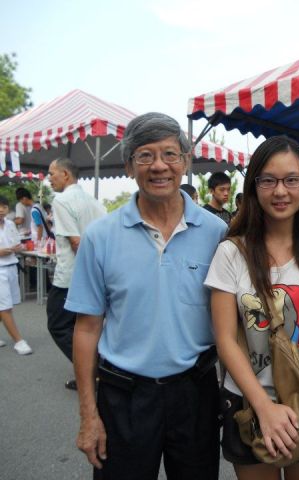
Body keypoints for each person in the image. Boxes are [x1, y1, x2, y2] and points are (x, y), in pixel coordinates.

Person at [65, 112, 227, 479]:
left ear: (185, 162)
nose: (159, 166)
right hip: (123, 398)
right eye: (145, 156)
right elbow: (86, 329)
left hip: (195, 394)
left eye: (170, 154)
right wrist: (88, 416)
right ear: (128, 166)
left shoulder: (215, 232)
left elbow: (227, 324)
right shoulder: (100, 236)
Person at [206, 135, 299, 480]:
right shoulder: (231, 253)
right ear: (254, 186)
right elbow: (225, 341)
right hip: (248, 403)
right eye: (268, 180)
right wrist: (264, 407)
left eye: (291, 179)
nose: (280, 191)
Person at [46, 157, 106, 390]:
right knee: (87, 326)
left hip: (71, 277)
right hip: (95, 275)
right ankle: (97, 372)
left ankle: (94, 372)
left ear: (65, 175)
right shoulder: (94, 202)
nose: (49, 179)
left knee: (59, 325)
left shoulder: (61, 200)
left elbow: (76, 242)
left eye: (52, 173)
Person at [0, 195, 33, 355]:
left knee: (6, 304)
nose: (1, 210)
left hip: (12, 265)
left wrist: (18, 247)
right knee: (5, 307)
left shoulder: (10, 223)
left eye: (4, 207)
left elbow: (16, 242)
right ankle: (19, 341)